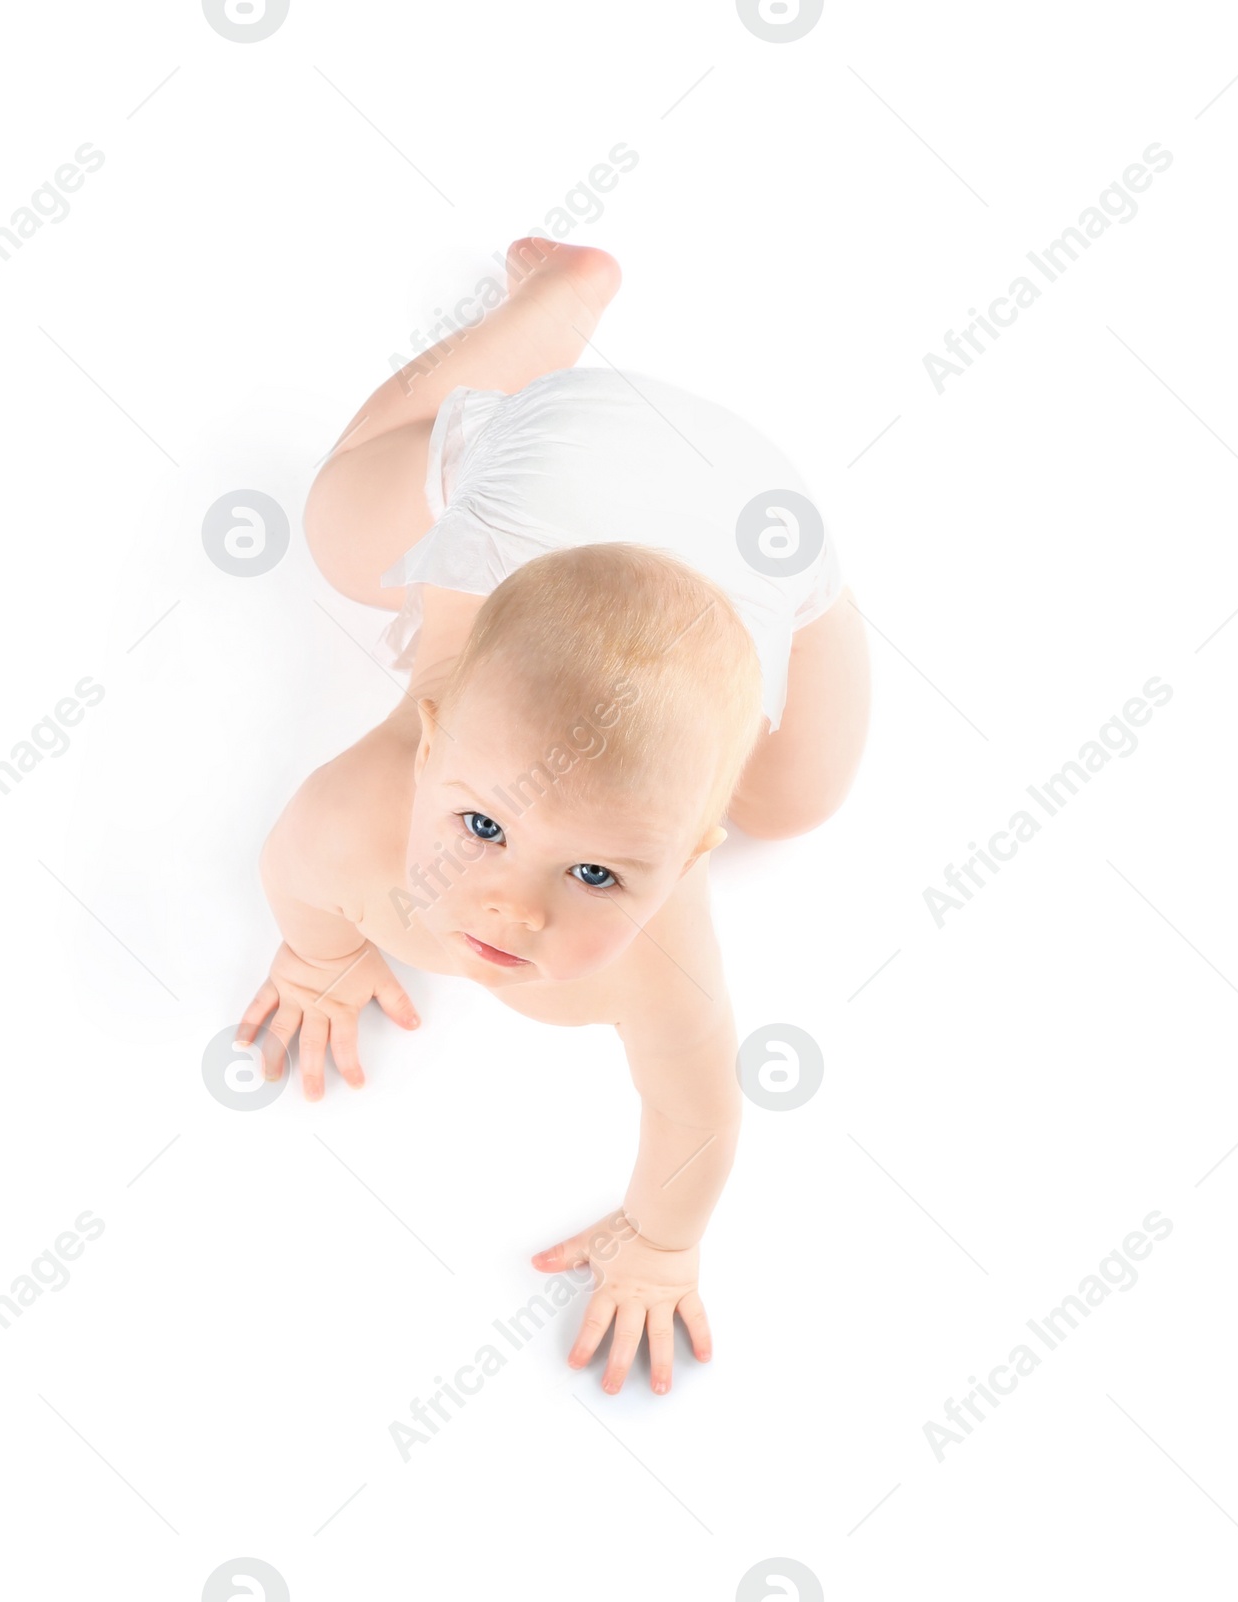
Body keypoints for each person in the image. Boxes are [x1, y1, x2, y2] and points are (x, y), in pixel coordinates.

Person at [238, 237, 872, 1396]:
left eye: (597, 877)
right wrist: (318, 959)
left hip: (748, 512)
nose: (509, 908)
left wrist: (663, 1245)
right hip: (560, 451)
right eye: (483, 827)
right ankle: (557, 299)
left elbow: (696, 1111)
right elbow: (296, 876)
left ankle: (807, 582)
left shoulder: (663, 963)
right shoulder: (355, 818)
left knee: (800, 798)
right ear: (430, 745)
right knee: (334, 526)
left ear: (687, 859)